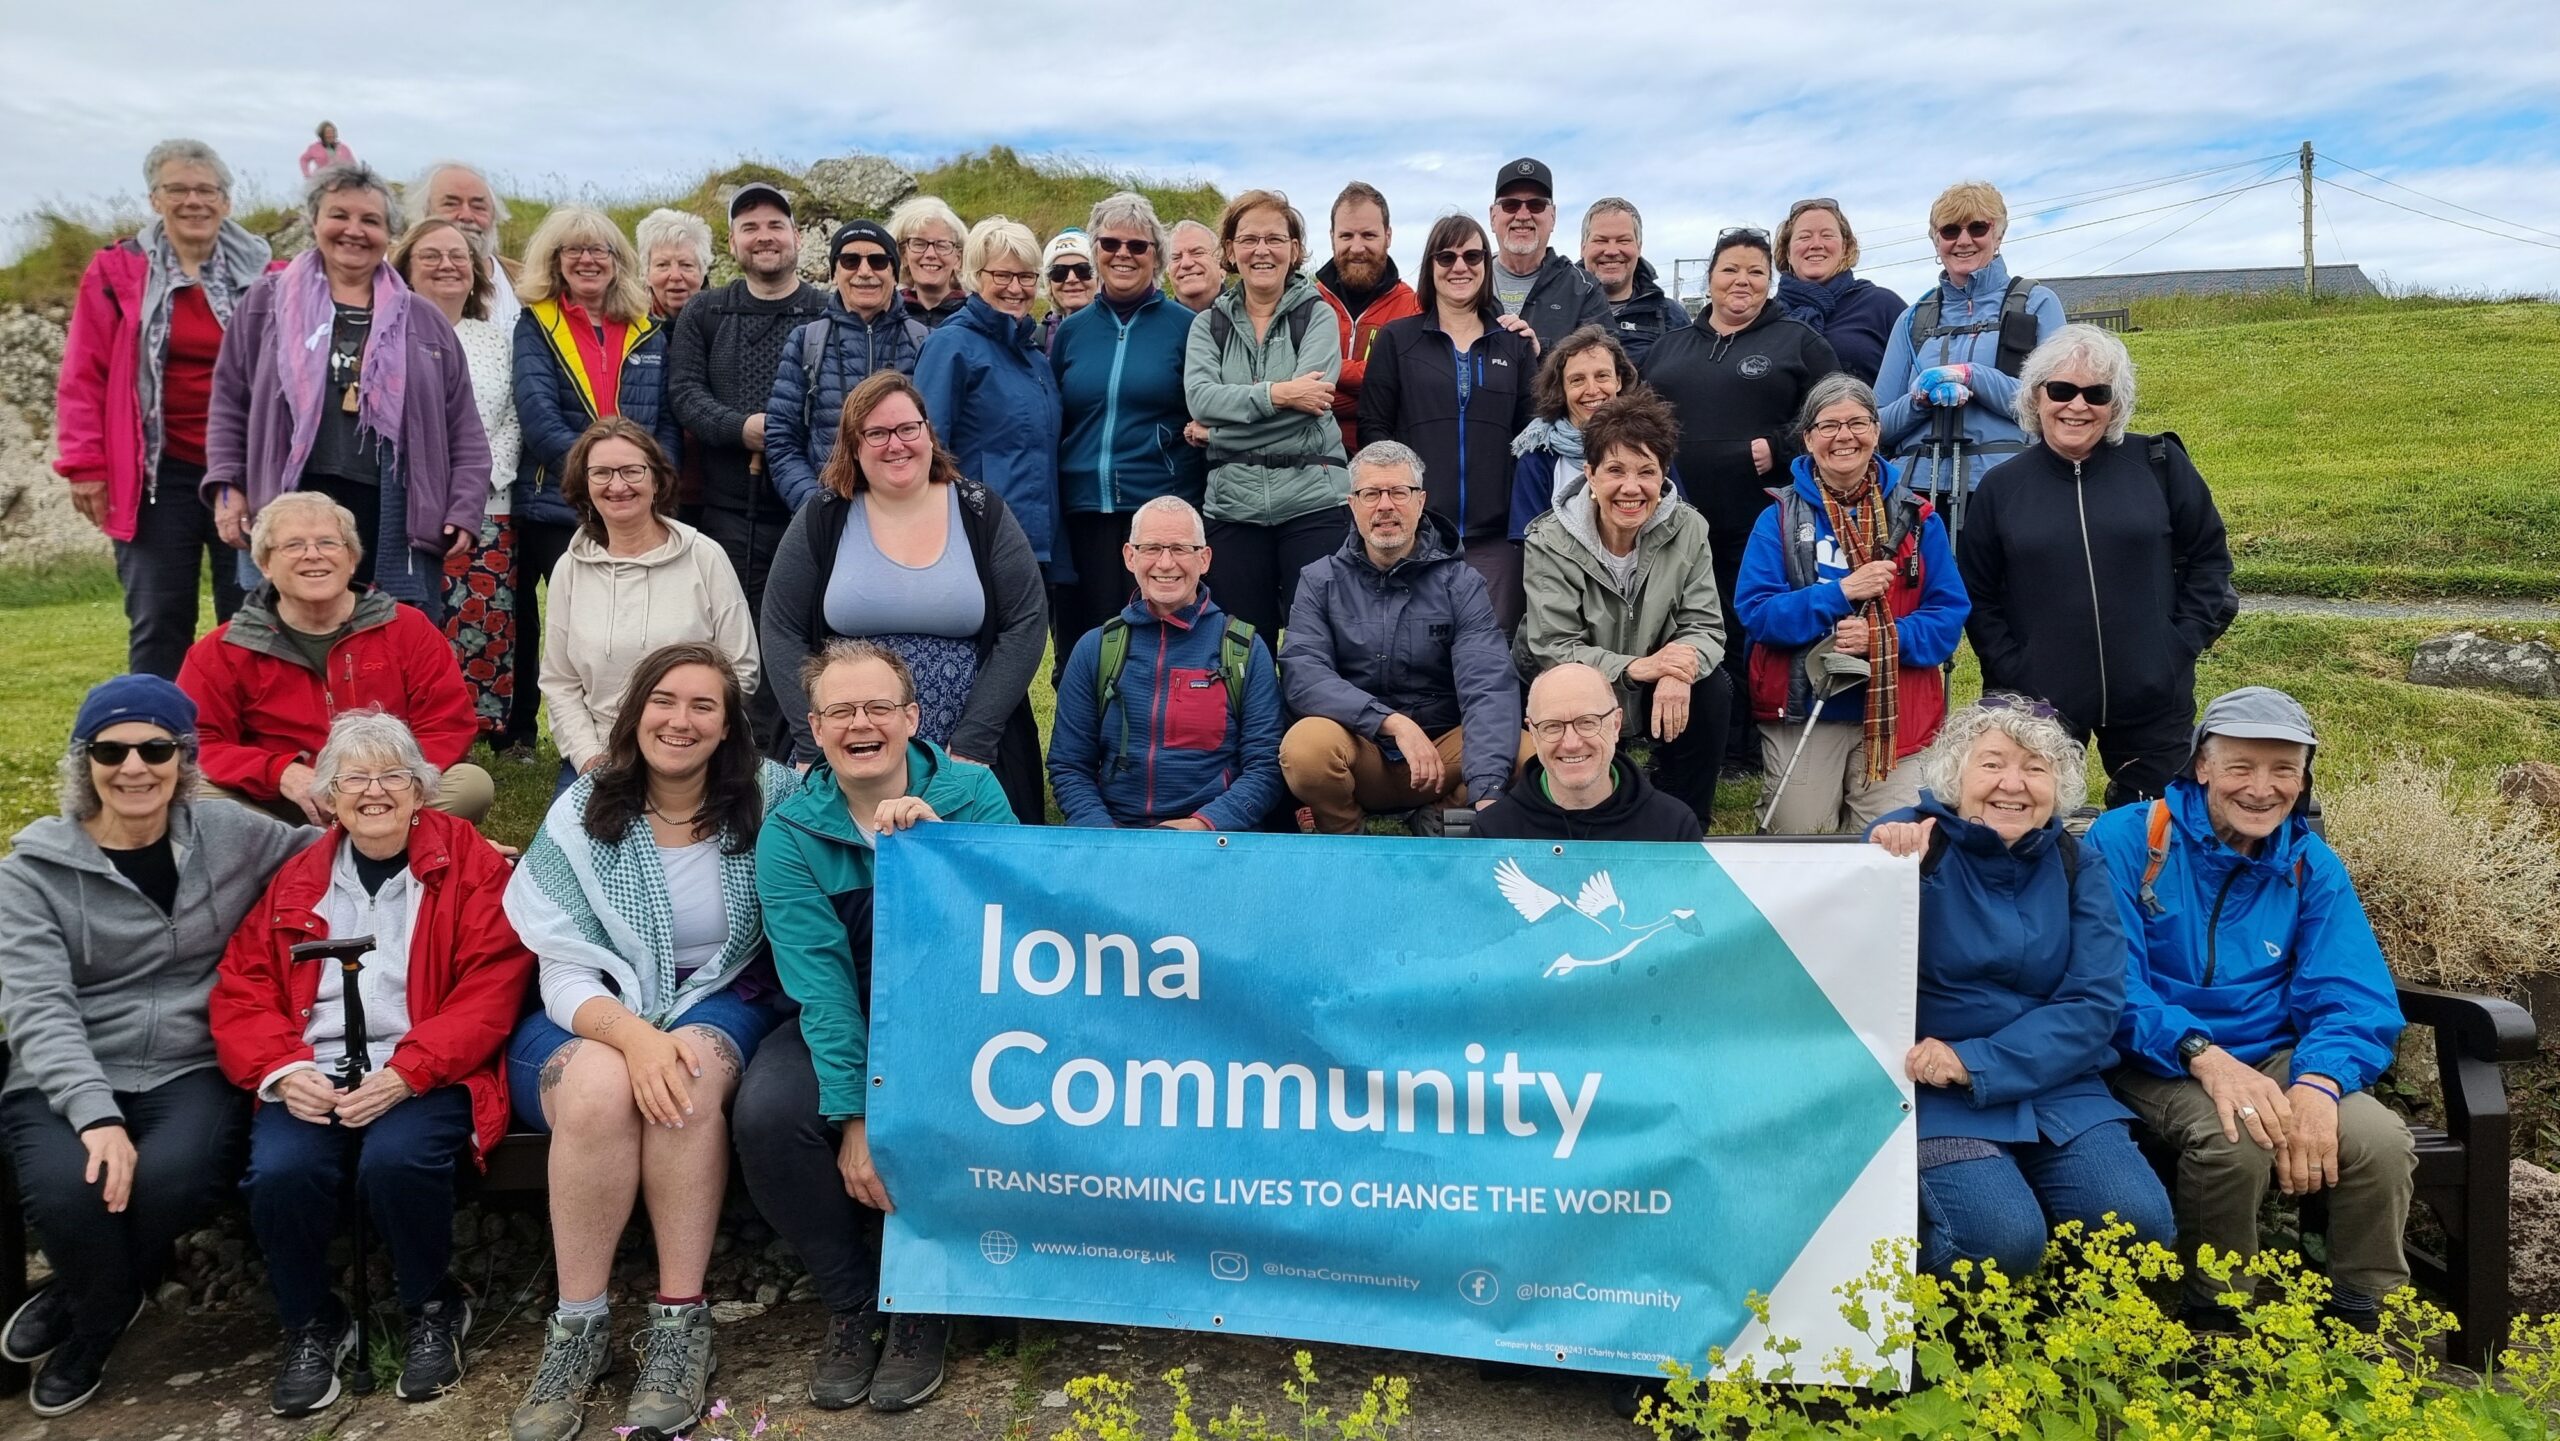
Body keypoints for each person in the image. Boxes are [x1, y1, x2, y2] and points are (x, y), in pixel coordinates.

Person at [501, 644, 800, 1441]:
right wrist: (633, 1035)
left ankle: (678, 1324)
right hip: (587, 1010)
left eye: (705, 705)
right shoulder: (584, 807)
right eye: (665, 700)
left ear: (730, 723)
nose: (682, 719)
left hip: (722, 996)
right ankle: (578, 1330)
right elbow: (561, 968)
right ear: (635, 711)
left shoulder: (773, 796)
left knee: (689, 1077)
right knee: (598, 1089)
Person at [210, 711, 534, 1416]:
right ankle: (311, 1320)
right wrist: (283, 1070)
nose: (375, 791)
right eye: (355, 778)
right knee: (282, 1170)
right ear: (329, 795)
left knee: (399, 1160)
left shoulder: (470, 864)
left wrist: (405, 1073)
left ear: (421, 791)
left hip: (427, 1067)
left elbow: (489, 989)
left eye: (393, 775)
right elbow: (243, 988)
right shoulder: (298, 878)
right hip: (314, 1066)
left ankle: (432, 1304)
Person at [0, 677, 308, 1416]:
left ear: (184, 757)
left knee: (174, 1177)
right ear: (86, 762)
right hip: (68, 1071)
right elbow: (37, 1007)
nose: (133, 766)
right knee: (74, 1195)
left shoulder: (231, 833)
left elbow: (337, 846)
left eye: (154, 748)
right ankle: (103, 1313)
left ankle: (83, 1308)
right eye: (110, 749)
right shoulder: (30, 873)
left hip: (189, 1062)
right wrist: (96, 1115)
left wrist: (457, 849)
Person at [736, 639, 1018, 1412]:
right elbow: (821, 987)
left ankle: (923, 1301)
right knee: (767, 1113)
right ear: (817, 729)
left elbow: (1019, 932)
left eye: (879, 708)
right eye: (841, 711)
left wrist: (939, 852)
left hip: (962, 1013)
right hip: (847, 1012)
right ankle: (854, 1301)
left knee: (950, 1099)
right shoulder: (792, 832)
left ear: (912, 718)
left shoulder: (974, 793)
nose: (862, 723)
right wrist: (855, 1112)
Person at [2089, 687, 2413, 1328]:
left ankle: (2363, 1317)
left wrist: (2319, 1083)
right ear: (2202, 765)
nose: (2262, 789)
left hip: (2274, 1054)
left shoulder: (2309, 864)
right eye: (2241, 766)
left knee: (2378, 1141)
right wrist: (2202, 1054)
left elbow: (2353, 991)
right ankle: (2217, 1317)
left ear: (2304, 778)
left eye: (2283, 769)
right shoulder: (2129, 840)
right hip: (2154, 1058)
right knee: (2235, 1138)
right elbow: (2108, 984)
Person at [1865, 699, 2174, 1282]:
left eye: (2035, 767)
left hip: (2057, 1084)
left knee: (2138, 1224)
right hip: (1929, 1088)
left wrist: (1975, 1061)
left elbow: (2094, 1002)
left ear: (2058, 785)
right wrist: (1884, 867)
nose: (2014, 784)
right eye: (1992, 764)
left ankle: (2062, 1336)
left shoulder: (2078, 861)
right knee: (2000, 1237)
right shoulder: (1910, 847)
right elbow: (1853, 972)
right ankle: (1909, 1321)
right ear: (1956, 776)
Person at [1957, 325, 2237, 805]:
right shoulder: (2001, 488)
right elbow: (1977, 594)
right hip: (2036, 703)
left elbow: (2210, 562)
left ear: (2117, 403)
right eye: (2061, 390)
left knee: (2159, 830)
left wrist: (2178, 645)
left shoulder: (2158, 465)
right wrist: (2012, 667)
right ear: (2035, 397)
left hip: (2153, 697)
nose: (2077, 405)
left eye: (2096, 393)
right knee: (2027, 830)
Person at [761, 371, 1048, 823]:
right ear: (853, 445)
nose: (896, 444)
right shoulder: (823, 516)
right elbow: (781, 627)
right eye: (876, 433)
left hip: (964, 748)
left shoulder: (980, 510)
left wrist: (975, 740)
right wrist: (809, 735)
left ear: (928, 433)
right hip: (848, 742)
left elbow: (1026, 621)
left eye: (907, 429)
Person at [205, 163, 487, 623]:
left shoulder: (422, 320)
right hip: (290, 503)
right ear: (313, 221)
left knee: (393, 648)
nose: (354, 231)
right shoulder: (264, 303)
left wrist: (463, 507)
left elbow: (465, 429)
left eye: (371, 221)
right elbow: (229, 406)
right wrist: (227, 489)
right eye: (340, 215)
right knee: (284, 647)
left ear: (390, 234)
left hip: (391, 514)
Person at [56, 139, 268, 678]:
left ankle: (240, 746)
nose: (193, 201)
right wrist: (85, 466)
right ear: (155, 199)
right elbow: (84, 374)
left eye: (207, 190)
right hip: (155, 472)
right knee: (158, 615)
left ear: (226, 201)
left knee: (249, 615)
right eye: (178, 189)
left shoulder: (269, 272)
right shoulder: (115, 270)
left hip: (242, 473)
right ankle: (154, 741)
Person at [1642, 226, 1840, 778]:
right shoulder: (1669, 347)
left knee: (1748, 629)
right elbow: (1635, 420)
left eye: (1756, 271)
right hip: (1674, 525)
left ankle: (1749, 745)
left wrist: (1778, 445)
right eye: (1731, 269)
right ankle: (1682, 737)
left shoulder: (1796, 341)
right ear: (1710, 279)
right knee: (1681, 628)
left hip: (1761, 523)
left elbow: (1837, 414)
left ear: (1771, 281)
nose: (1742, 280)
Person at [1735, 375, 1967, 833]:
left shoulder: (1918, 518)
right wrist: (1840, 593)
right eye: (1829, 426)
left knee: (1890, 848)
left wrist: (1884, 637)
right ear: (1808, 438)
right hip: (1805, 709)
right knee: (1800, 843)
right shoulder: (1778, 516)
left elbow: (1947, 618)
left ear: (1877, 431)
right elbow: (1758, 612)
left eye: (1857, 423)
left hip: (1896, 715)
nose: (1844, 437)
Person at [178, 492, 493, 823]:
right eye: (294, 545)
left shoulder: (408, 628)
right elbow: (199, 740)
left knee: (471, 786)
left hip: (386, 796)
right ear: (266, 564)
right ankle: (332, 848)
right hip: (279, 803)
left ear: (352, 559)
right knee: (195, 793)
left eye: (328, 543)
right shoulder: (224, 648)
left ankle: (314, 852)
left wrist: (381, 780)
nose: (313, 555)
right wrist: (280, 773)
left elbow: (447, 724)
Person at [511, 204, 683, 760]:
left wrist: (650, 485)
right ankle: (548, 738)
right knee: (559, 626)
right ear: (555, 261)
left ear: (617, 259)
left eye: (599, 249)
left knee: (630, 623)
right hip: (554, 501)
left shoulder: (646, 327)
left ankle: (634, 727)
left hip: (635, 503)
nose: (587, 259)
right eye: (573, 250)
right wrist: (602, 481)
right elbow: (538, 416)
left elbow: (665, 422)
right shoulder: (536, 321)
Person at [1515, 390, 1730, 829]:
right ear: (1590, 475)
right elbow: (1552, 646)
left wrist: (1677, 670)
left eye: (1646, 472)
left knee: (1713, 689)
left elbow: (1705, 626)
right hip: (1571, 679)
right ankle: (1564, 818)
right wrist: (1638, 667)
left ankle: (1683, 820)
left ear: (1663, 475)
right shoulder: (1548, 540)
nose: (1631, 488)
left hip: (1655, 677)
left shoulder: (1689, 528)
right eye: (1615, 470)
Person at [1280, 441, 1520, 833]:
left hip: (1444, 752)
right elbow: (1304, 675)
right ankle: (1345, 834)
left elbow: (1488, 684)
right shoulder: (1319, 580)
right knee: (1306, 747)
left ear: (1421, 500)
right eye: (1371, 493)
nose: (1385, 505)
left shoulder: (1461, 583)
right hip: (1361, 751)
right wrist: (1390, 722)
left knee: (1525, 754)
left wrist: (1489, 790)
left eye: (1398, 492)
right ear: (1352, 504)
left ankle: (1442, 815)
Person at [537, 419, 759, 793]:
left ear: (656, 480)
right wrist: (589, 756)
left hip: (692, 752)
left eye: (631, 471)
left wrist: (686, 742)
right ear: (584, 485)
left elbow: (742, 668)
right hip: (603, 756)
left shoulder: (704, 557)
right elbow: (560, 682)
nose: (618, 485)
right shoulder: (570, 568)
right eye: (602, 473)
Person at [1048, 497, 1284, 830]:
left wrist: (1203, 825)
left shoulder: (1243, 648)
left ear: (1204, 559)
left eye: (1180, 549)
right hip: (1115, 837)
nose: (1165, 563)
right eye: (1152, 548)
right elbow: (1068, 765)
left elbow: (1265, 767)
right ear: (1130, 556)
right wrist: (1102, 833)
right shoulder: (1095, 648)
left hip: (1214, 840)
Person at [1181, 188, 1349, 642]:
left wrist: (1218, 435)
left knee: (1317, 643)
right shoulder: (1207, 325)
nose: (1262, 250)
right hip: (1233, 511)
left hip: (1315, 504)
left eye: (1275, 239)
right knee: (1240, 647)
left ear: (1294, 250)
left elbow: (1310, 409)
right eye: (1249, 239)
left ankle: (1313, 717)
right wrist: (1281, 393)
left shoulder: (1317, 315)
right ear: (1230, 251)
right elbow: (1201, 399)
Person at [1356, 214, 1538, 628]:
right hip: (1417, 536)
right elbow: (1374, 429)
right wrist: (1400, 503)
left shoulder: (1513, 344)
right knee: (1416, 658)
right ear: (1430, 265)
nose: (1460, 266)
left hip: (1495, 540)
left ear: (1486, 267)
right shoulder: (1397, 340)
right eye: (1447, 256)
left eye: (1473, 256)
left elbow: (1531, 435)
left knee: (1492, 654)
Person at [667, 182, 826, 628]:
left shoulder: (826, 311)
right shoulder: (705, 311)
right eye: (749, 227)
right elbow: (684, 393)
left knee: (810, 636)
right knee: (731, 638)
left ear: (797, 237)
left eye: (776, 225)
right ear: (732, 242)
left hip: (813, 507)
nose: (764, 236)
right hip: (729, 515)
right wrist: (742, 428)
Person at [1051, 193, 1206, 650]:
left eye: (1137, 246)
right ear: (1095, 251)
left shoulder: (1187, 327)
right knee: (1085, 645)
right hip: (1082, 511)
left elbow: (1205, 410)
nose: (1123, 253)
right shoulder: (1071, 332)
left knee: (1154, 644)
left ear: (1155, 256)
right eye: (1110, 243)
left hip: (1158, 511)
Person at [391, 218, 522, 741]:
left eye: (459, 257)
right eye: (431, 256)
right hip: (409, 503)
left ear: (475, 274)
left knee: (483, 619)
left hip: (488, 502)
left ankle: (478, 724)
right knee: (416, 620)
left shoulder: (493, 339)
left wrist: (481, 484)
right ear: (404, 268)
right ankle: (412, 723)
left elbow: (513, 416)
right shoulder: (390, 332)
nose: (447, 265)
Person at [1875, 183, 2068, 499]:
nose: (1963, 240)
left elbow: (2056, 404)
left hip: (2009, 490)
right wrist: (1918, 401)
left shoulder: (2036, 305)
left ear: (1998, 235)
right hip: (1915, 498)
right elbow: (1878, 423)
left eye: (1977, 227)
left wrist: (1972, 375)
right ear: (1936, 241)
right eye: (1950, 231)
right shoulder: (1912, 319)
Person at [913, 215, 1064, 582]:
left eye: (1027, 276)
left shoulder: (1034, 359)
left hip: (1034, 544)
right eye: (1002, 275)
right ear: (975, 277)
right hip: (976, 543)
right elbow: (927, 450)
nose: (1016, 288)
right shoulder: (950, 346)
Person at [767, 219, 929, 515]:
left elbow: (938, 436)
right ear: (834, 272)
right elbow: (781, 438)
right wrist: (816, 505)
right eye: (850, 260)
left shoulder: (923, 341)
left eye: (878, 261)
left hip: (908, 513)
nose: (864, 271)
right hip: (828, 516)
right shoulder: (807, 341)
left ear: (894, 272)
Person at [1472, 663, 1700, 842]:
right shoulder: (1493, 832)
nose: (1571, 743)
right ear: (1532, 732)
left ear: (1616, 724)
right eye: (1552, 726)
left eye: (1587, 722)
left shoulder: (1674, 828)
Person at [1313, 181, 1419, 452]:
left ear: (1388, 236)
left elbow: (1405, 390)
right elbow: (1289, 379)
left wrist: (1329, 377)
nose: (1357, 248)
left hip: (1384, 465)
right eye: (1346, 236)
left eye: (1369, 236)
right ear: (1332, 237)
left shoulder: (1414, 307)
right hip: (1312, 463)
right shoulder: (1306, 303)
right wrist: (1373, 388)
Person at [1506, 325, 1640, 539]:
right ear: (1561, 389)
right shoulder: (1539, 457)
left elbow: (1675, 524)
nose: (1592, 390)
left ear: (1619, 381)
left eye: (1602, 376)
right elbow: (1531, 545)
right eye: (1577, 380)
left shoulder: (1648, 445)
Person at [1484, 157, 1609, 349]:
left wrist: (1538, 351)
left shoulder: (1584, 290)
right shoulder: (1467, 280)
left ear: (1553, 217)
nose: (1523, 215)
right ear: (1493, 216)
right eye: (1511, 205)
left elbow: (1604, 361)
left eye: (1536, 205)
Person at [1773, 198, 1903, 383]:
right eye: (1804, 237)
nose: (1816, 244)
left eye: (1827, 235)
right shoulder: (1766, 315)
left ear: (1845, 248)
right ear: (1787, 252)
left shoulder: (1882, 305)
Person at [407, 161, 519, 332]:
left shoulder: (525, 282)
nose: (466, 216)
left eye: (478, 207)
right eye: (451, 204)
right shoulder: (391, 272)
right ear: (424, 212)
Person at [1577, 199, 1689, 365]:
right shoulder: (1556, 308)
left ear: (1639, 247)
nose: (1612, 251)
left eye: (1623, 241)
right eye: (1601, 240)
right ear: (1583, 247)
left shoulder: (1671, 317)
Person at [886, 195, 969, 329]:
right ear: (903, 255)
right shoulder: (886, 316)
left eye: (942, 245)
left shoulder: (975, 317)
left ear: (958, 259)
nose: (930, 254)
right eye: (919, 244)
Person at [635, 207, 709, 322]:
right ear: (646, 273)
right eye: (662, 265)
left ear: (702, 272)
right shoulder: (628, 327)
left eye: (686, 265)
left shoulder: (726, 325)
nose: (675, 276)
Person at [1035, 228, 1097, 355]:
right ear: (1049, 284)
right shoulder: (1035, 340)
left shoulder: (1121, 335)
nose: (1071, 279)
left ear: (1100, 277)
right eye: (1059, 272)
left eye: (1083, 270)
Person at [1166, 219, 1222, 312]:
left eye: (1197, 253)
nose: (1186, 263)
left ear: (1221, 265)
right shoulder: (1154, 324)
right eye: (1175, 257)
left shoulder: (1250, 318)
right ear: (1168, 273)